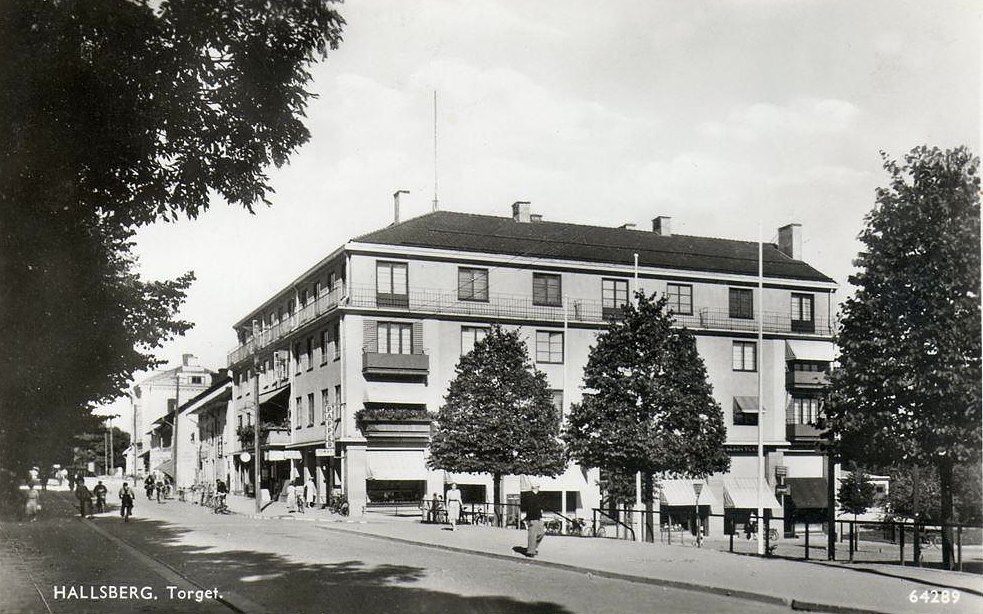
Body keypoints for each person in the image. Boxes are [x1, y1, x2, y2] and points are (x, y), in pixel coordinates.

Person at [524, 484, 545, 557]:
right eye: (538, 486)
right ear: (536, 487)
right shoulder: (529, 496)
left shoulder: (538, 495)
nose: (539, 488)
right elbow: (528, 508)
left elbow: (540, 505)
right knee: (532, 535)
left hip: (538, 517)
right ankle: (530, 551)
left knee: (541, 533)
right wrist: (528, 520)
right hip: (532, 518)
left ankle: (533, 547)